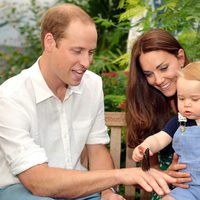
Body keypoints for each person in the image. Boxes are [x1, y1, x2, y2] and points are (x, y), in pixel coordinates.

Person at [0, 4, 176, 200]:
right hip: (23, 191)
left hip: (81, 190)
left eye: (91, 52)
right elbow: (37, 182)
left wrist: (108, 192)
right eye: (77, 51)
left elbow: (97, 149)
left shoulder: (92, 85)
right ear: (50, 42)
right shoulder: (11, 96)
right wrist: (119, 175)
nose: (87, 62)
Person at [125, 28, 192, 199]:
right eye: (149, 74)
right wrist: (166, 175)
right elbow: (149, 167)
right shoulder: (149, 107)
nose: (159, 80)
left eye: (163, 68)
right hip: (170, 191)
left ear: (181, 58)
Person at [132, 61, 200, 200]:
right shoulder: (180, 121)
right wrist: (146, 146)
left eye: (194, 99)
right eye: (181, 98)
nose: (186, 103)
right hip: (187, 188)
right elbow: (159, 138)